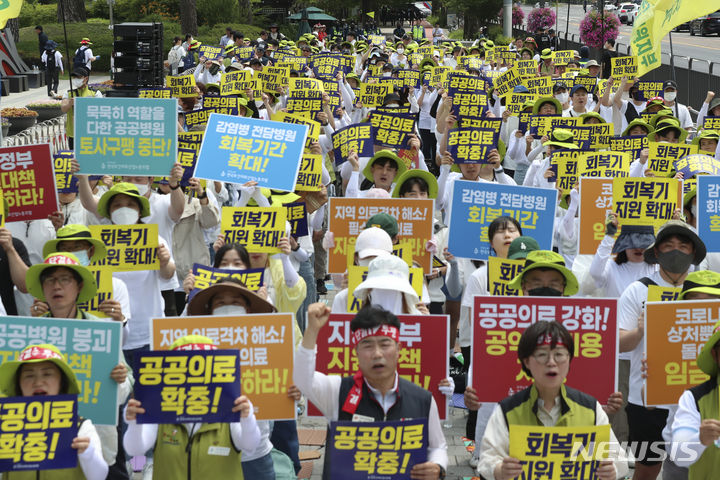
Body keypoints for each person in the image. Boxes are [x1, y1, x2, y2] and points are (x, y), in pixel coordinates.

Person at [295, 303, 450, 480]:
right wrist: (312, 331)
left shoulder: (423, 399)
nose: (377, 354)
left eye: (385, 344)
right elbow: (302, 379)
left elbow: (438, 446)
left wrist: (438, 467)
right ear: (356, 352)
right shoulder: (338, 391)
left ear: (399, 349)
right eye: (367, 345)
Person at [475, 320, 628, 480]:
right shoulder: (508, 409)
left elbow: (618, 458)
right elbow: (487, 459)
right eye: (542, 355)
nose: (551, 362)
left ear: (569, 359)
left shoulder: (590, 408)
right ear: (526, 361)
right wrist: (500, 470)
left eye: (559, 354)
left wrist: (612, 470)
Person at [619, 220, 707, 480]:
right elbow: (619, 343)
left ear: (693, 253)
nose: (676, 251)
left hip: (695, 398)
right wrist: (640, 331)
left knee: (694, 467)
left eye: (683, 246)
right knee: (647, 468)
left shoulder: (705, 293)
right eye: (668, 246)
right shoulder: (638, 290)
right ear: (656, 253)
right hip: (647, 398)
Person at [124, 335, 261, 479]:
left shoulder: (230, 408)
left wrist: (247, 419)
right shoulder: (160, 410)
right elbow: (135, 448)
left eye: (201, 369)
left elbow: (250, 445)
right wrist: (134, 423)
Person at [0, 343, 108, 479]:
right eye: (29, 375)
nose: (38, 382)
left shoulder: (80, 427)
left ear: (61, 382)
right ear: (18, 384)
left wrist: (88, 453)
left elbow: (99, 476)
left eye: (47, 374)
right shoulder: (6, 426)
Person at [670, 271, 720, 478]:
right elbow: (679, 455)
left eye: (713, 301)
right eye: (696, 300)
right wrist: (700, 439)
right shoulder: (694, 398)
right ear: (715, 355)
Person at [61, 67, 103, 149]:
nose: (75, 79)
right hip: (73, 133)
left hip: (90, 133)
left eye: (78, 77)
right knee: (74, 158)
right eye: (74, 77)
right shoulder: (68, 93)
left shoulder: (95, 93)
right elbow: (63, 109)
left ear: (86, 78)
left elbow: (100, 111)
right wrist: (70, 103)